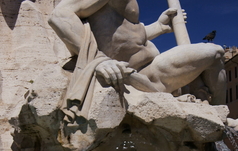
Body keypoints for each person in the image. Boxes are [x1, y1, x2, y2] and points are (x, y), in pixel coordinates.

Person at [48, 0, 226, 122]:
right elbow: (60, 16)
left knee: (215, 52)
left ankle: (220, 114)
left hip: (152, 70)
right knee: (214, 51)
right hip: (126, 75)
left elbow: (126, 37)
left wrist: (159, 27)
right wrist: (98, 60)